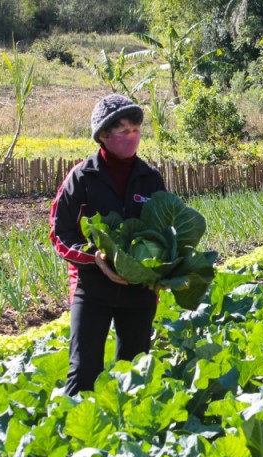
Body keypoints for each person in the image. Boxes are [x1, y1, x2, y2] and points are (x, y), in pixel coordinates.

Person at [49, 93, 166, 395]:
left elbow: (167, 232)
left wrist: (164, 270)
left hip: (139, 290)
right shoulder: (82, 177)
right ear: (103, 135)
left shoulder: (150, 178)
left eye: (137, 131)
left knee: (135, 373)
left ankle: (130, 439)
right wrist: (94, 258)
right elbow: (60, 234)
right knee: (84, 372)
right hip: (92, 289)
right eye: (124, 132)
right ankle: (79, 437)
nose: (133, 138)